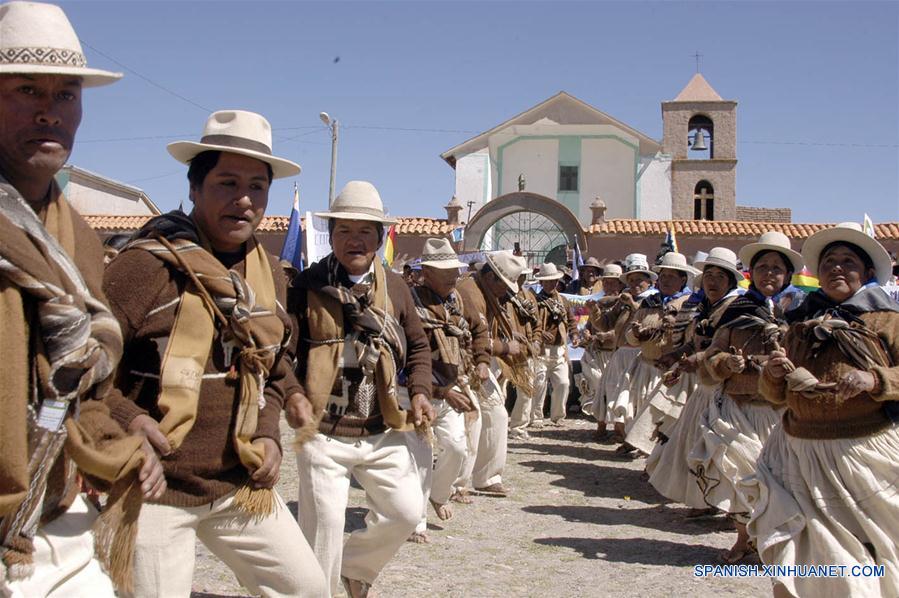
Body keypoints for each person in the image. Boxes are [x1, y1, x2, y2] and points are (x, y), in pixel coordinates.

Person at [103, 110, 326, 597]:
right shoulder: (143, 268)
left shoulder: (267, 275)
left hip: (237, 484)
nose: (243, 200)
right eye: (226, 183)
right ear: (195, 187)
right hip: (157, 489)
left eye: (257, 187)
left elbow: (268, 369)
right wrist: (126, 419)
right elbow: (81, 373)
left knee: (307, 588)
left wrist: (269, 434)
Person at [0, 3, 165, 595]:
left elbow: (86, 389)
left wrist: (119, 440)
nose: (50, 109)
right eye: (26, 89)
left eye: (66, 94)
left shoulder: (81, 241)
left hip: (57, 515)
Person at [289, 180, 434, 597]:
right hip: (322, 430)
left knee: (407, 511)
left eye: (364, 231)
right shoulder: (307, 286)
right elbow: (287, 348)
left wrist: (420, 391)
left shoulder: (397, 288)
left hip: (381, 425)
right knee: (326, 528)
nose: (354, 240)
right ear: (331, 234)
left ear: (380, 236)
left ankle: (356, 568)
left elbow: (419, 345)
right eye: (344, 230)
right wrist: (292, 395)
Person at [750, 222, 899, 598]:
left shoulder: (887, 320)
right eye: (830, 261)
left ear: (866, 273)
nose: (837, 268)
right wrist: (771, 374)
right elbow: (776, 396)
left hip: (862, 458)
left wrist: (876, 380)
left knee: (864, 565)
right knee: (801, 562)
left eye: (848, 261)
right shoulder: (800, 323)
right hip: (798, 457)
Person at [689, 232, 800, 563]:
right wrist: (728, 363)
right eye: (762, 267)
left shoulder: (799, 312)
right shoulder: (736, 310)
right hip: (738, 408)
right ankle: (743, 539)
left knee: (780, 482)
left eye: (776, 268)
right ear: (752, 272)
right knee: (740, 477)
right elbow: (711, 360)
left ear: (787, 275)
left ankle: (775, 542)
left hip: (779, 411)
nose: (769, 274)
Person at [645, 247, 741, 515]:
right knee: (693, 444)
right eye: (708, 275)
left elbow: (724, 347)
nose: (712, 282)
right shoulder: (706, 308)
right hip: (705, 386)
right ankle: (704, 500)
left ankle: (728, 506)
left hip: (727, 389)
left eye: (719, 277)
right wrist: (675, 357)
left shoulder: (736, 310)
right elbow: (692, 341)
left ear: (730, 282)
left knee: (723, 452)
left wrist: (697, 359)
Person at [407, 238, 489, 542]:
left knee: (456, 448)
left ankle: (439, 494)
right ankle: (416, 522)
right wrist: (437, 391)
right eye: (446, 273)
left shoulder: (457, 300)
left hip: (453, 385)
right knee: (420, 458)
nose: (453, 277)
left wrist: (481, 359)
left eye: (455, 271)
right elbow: (405, 357)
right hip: (417, 392)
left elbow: (479, 329)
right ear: (427, 272)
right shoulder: (410, 303)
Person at [454, 251, 523, 498]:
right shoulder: (469, 293)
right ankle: (457, 483)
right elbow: (471, 339)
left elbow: (482, 334)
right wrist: (505, 348)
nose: (506, 292)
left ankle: (487, 477)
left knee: (496, 414)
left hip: (478, 362)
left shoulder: (484, 292)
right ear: (491, 277)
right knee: (471, 421)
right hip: (460, 365)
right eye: (504, 286)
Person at [622, 252, 698, 456]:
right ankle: (639, 445)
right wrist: (635, 333)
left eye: (671, 277)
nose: (665, 280)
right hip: (646, 366)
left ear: (683, 279)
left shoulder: (690, 305)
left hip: (672, 370)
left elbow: (692, 339)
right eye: (663, 276)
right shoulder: (649, 302)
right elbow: (629, 334)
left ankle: (657, 454)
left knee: (664, 414)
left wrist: (674, 327)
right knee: (640, 407)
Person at [603, 254, 659, 446]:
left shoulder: (652, 301)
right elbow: (606, 323)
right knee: (616, 392)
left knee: (634, 396)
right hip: (621, 353)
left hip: (639, 354)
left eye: (639, 280)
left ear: (648, 281)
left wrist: (632, 305)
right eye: (632, 280)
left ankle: (634, 436)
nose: (635, 284)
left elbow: (645, 322)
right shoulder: (623, 300)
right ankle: (619, 431)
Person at [532, 262, 577, 425]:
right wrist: (540, 333)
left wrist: (575, 334)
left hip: (559, 350)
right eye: (548, 281)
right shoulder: (535, 302)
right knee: (539, 383)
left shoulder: (563, 301)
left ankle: (558, 416)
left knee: (563, 383)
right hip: (542, 350)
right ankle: (536, 417)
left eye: (554, 281)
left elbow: (571, 321)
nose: (552, 284)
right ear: (541, 283)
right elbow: (530, 324)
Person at [507, 255, 545, 439]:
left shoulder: (529, 296)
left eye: (523, 275)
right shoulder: (503, 296)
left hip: (526, 350)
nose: (520, 278)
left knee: (526, 390)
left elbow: (537, 323)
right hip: (504, 351)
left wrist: (536, 341)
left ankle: (518, 426)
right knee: (499, 391)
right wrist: (511, 335)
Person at [586, 263, 625, 439]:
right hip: (598, 353)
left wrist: (603, 336)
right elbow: (591, 324)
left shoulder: (624, 304)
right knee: (599, 389)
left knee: (617, 390)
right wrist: (587, 333)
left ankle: (618, 428)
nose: (609, 286)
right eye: (606, 282)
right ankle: (601, 425)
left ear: (620, 284)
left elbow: (620, 329)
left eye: (613, 282)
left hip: (615, 354)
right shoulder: (599, 303)